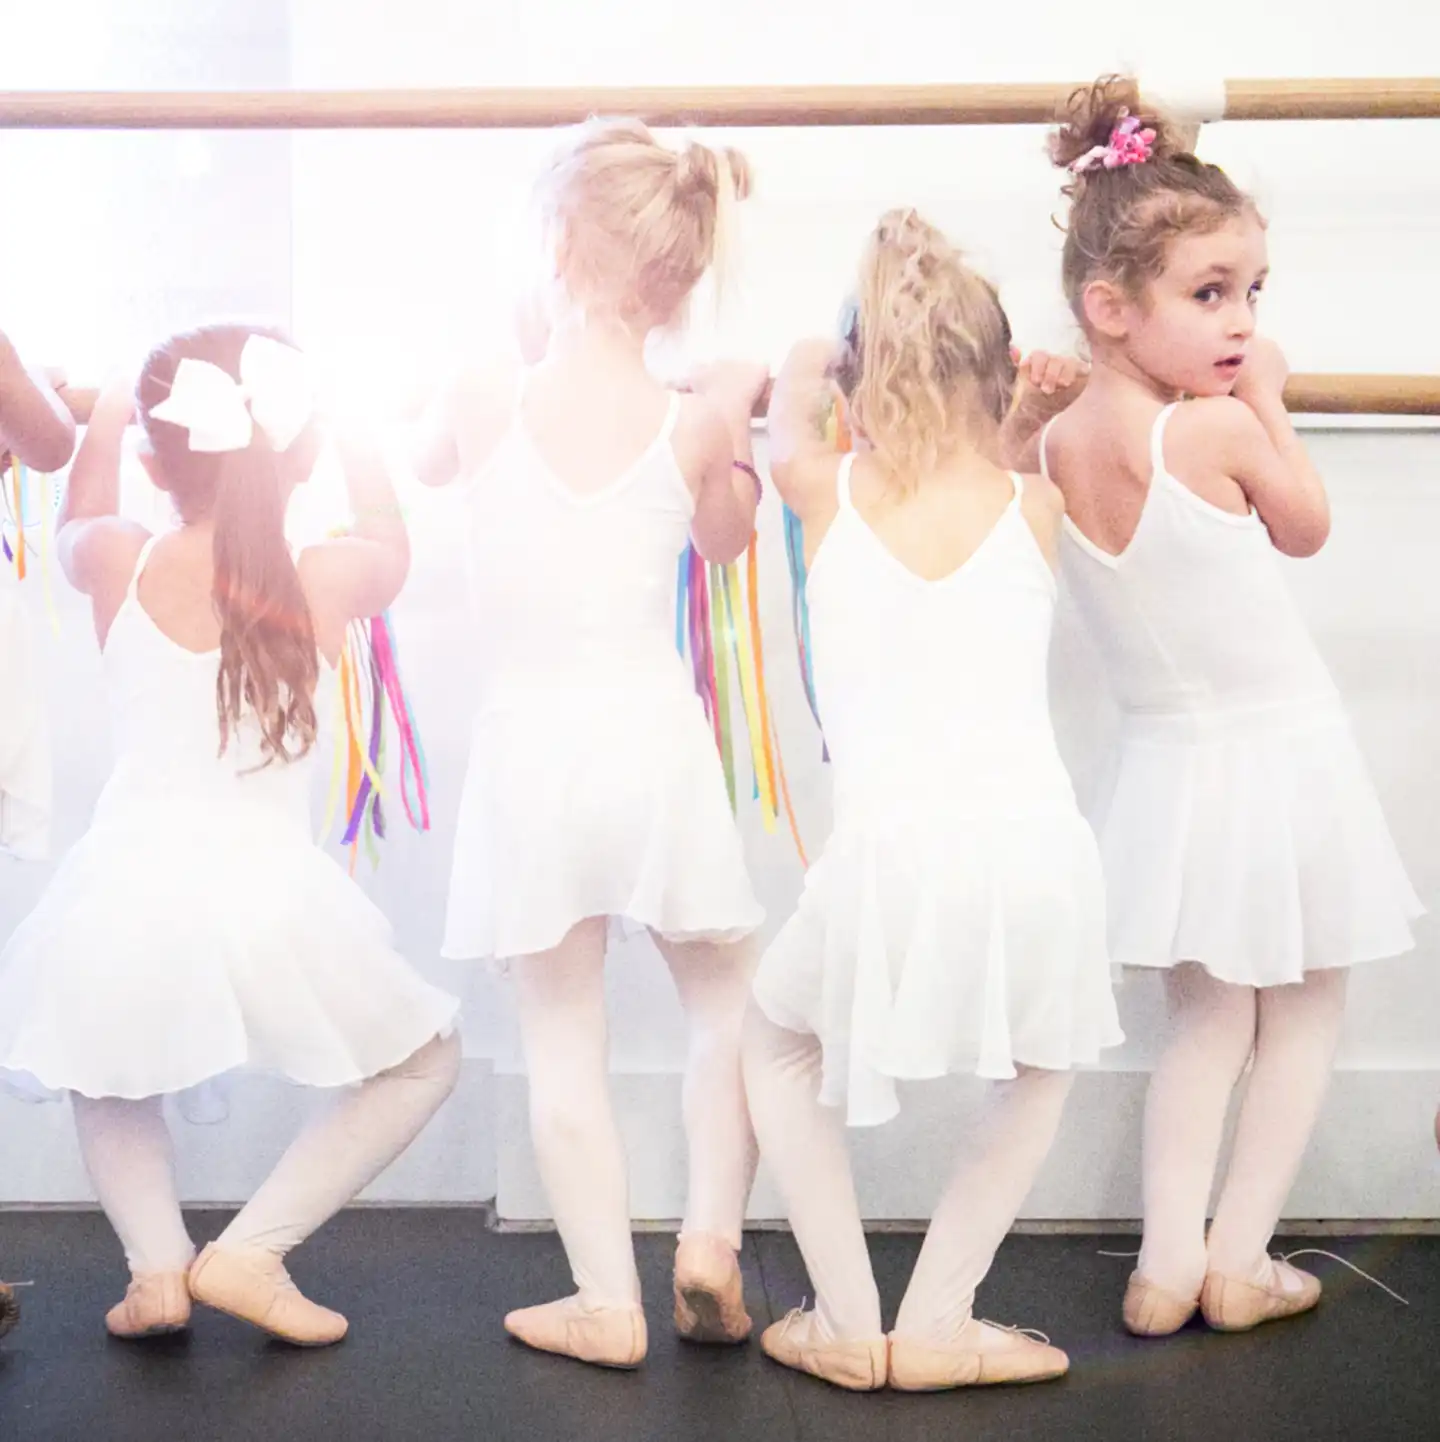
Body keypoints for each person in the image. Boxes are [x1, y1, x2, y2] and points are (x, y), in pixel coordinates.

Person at [1034, 77, 1421, 1336]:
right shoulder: (1212, 435)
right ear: (1111, 307)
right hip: (1283, 759)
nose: (1243, 323)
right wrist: (1269, 401)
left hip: (1171, 770)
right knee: (1304, 1004)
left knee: (1201, 1027)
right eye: (1210, 295)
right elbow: (1305, 528)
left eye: (1255, 293)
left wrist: (1232, 374)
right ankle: (1237, 1256)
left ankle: (1162, 1261)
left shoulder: (1048, 444)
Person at [0, 323, 461, 1345]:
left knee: (100, 1058)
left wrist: (112, 404)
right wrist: (356, 431)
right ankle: (251, 1248)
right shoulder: (328, 572)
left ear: (157, 460)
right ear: (296, 448)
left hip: (124, 885)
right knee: (428, 1058)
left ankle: (158, 1263)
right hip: (266, 891)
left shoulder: (120, 553)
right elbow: (392, 541)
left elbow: (80, 510)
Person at [743, 209, 1122, 1391]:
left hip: (887, 860)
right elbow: (988, 476)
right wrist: (1025, 415)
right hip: (1037, 852)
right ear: (1001, 375)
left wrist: (831, 352)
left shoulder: (819, 485)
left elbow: (798, 380)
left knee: (773, 1037)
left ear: (863, 384)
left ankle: (852, 1316)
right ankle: (942, 1314)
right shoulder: (1034, 502)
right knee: (1041, 1072)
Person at [419, 119, 766, 1369]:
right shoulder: (688, 419)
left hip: (532, 747)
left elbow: (427, 463)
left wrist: (521, 350)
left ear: (558, 245)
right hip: (649, 737)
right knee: (731, 998)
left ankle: (606, 1297)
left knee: (562, 1029)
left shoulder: (479, 394)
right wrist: (726, 405)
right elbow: (728, 542)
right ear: (675, 277)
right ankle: (713, 1235)